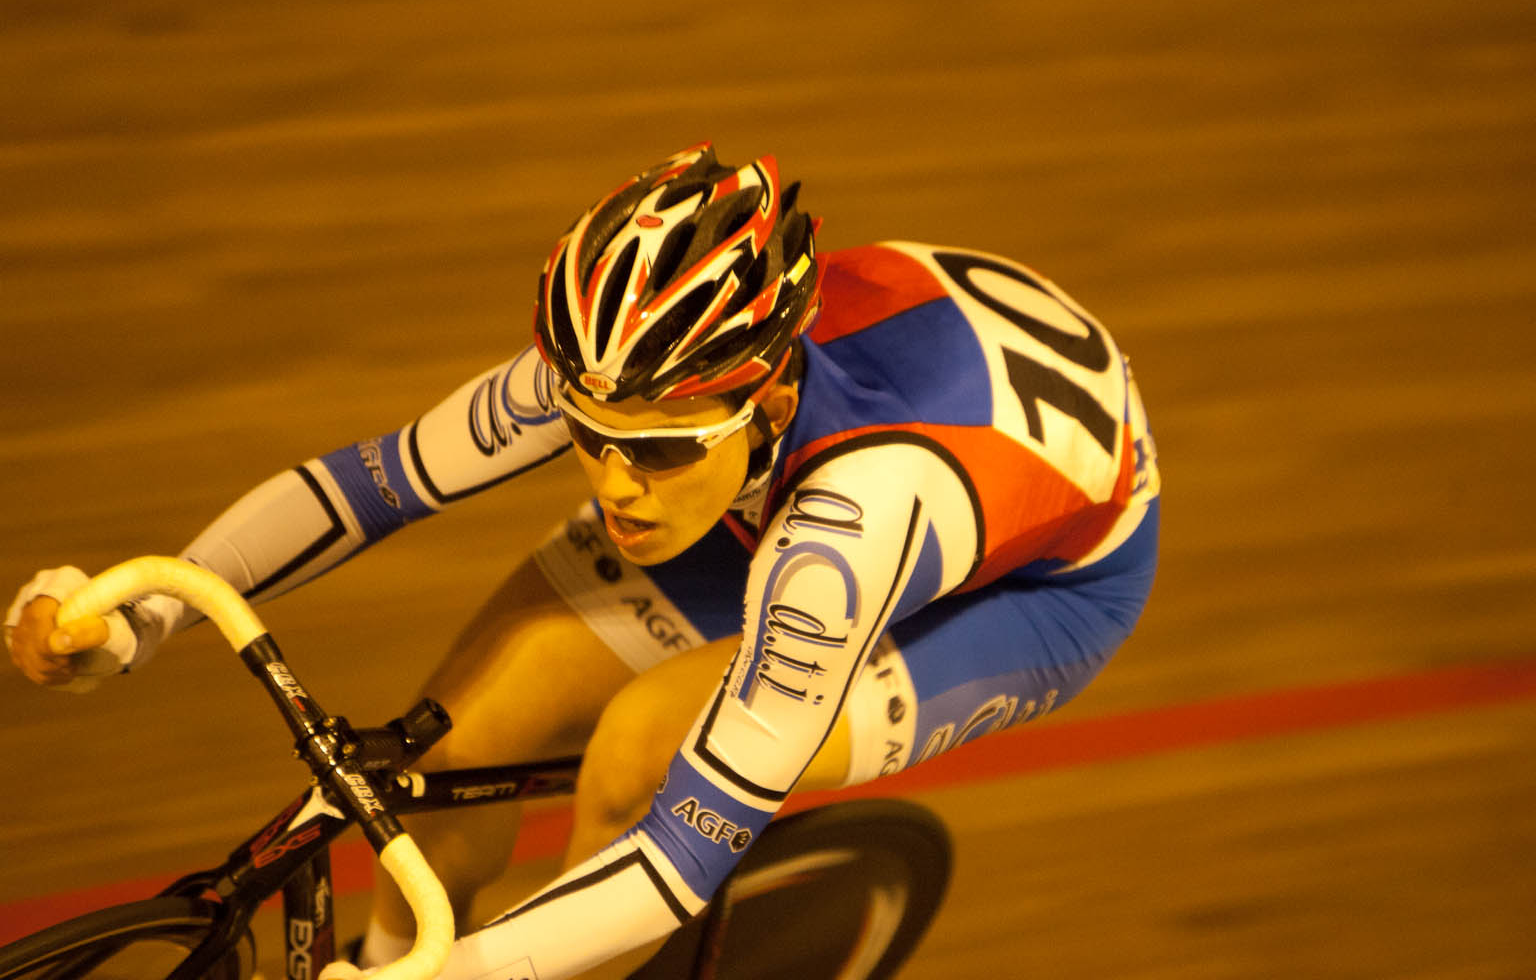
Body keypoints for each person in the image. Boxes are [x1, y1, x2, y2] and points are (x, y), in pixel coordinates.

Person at [5, 143, 1161, 979]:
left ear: (760, 401)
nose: (612, 484)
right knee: (455, 738)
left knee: (642, 756)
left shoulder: (853, 524)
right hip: (785, 484)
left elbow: (674, 861)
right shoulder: (625, 368)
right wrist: (142, 612)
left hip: (1034, 582)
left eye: (654, 453)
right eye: (593, 437)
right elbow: (370, 485)